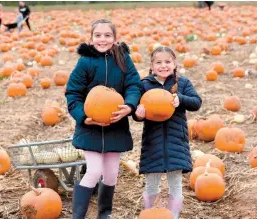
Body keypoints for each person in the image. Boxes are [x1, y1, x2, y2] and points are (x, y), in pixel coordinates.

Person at [65, 19, 142, 219]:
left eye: (107, 35)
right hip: (90, 128)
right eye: (98, 35)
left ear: (115, 39)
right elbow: (73, 94)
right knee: (94, 171)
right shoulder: (85, 62)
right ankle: (78, 216)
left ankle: (104, 214)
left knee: (111, 174)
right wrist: (83, 117)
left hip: (115, 126)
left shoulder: (123, 59)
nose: (103, 39)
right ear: (91, 39)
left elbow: (134, 85)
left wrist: (130, 105)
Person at [134, 46, 202, 219]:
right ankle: (149, 213)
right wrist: (139, 114)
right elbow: (138, 111)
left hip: (176, 141)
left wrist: (181, 99)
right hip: (153, 142)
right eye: (158, 62)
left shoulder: (182, 83)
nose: (163, 65)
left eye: (167, 62)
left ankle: (174, 215)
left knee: (175, 183)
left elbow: (196, 102)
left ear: (174, 63)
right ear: (151, 65)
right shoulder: (144, 84)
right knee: (151, 183)